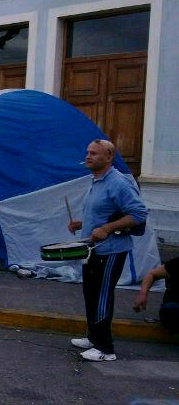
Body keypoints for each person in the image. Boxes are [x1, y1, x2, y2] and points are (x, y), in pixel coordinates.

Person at [67, 139, 148, 362]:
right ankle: (94, 337)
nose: (88, 156)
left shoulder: (118, 183)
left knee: (102, 295)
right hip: (93, 249)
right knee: (90, 294)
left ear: (109, 157)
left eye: (94, 153)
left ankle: (105, 348)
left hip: (111, 250)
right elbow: (103, 213)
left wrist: (107, 228)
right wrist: (82, 224)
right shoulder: (97, 181)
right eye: (87, 152)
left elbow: (139, 214)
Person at [134, 259, 179, 332]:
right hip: (174, 309)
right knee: (171, 311)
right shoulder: (175, 264)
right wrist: (143, 294)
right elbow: (151, 274)